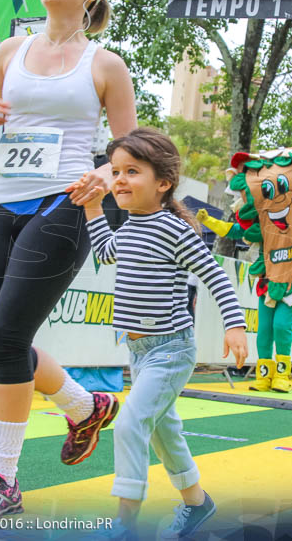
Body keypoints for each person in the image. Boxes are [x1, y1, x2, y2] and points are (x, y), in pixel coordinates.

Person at [0, 0, 138, 520]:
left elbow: (133, 152)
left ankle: (0, 479)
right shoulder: (12, 49)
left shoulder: (105, 65)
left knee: (7, 334)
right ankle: (85, 406)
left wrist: (104, 175)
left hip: (64, 204)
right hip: (4, 202)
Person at [72, 128, 248, 539]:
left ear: (163, 183)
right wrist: (93, 209)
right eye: (115, 171)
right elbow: (105, 253)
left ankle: (125, 525)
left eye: (132, 171)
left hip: (170, 350)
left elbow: (214, 277)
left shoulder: (175, 229)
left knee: (131, 423)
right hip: (140, 352)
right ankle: (198, 503)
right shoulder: (131, 225)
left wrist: (235, 324)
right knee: (164, 433)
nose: (119, 180)